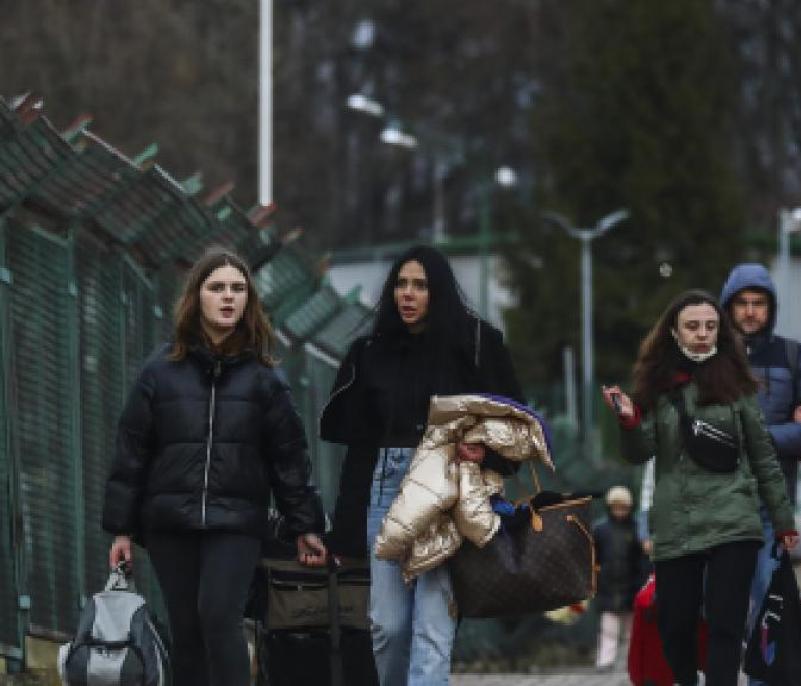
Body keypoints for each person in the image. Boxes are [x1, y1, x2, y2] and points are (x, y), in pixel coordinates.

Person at [102, 247, 327, 686]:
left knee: (219, 617)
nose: (229, 297)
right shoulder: (159, 372)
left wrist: (306, 526)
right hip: (171, 521)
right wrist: (122, 529)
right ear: (197, 297)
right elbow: (132, 452)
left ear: (249, 301)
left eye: (238, 289)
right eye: (217, 287)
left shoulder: (265, 378)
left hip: (237, 521)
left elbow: (289, 458)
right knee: (186, 631)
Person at [319, 244, 522, 686]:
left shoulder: (475, 344)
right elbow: (359, 446)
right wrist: (345, 529)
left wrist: (482, 452)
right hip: (386, 487)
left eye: (421, 286)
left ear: (440, 291)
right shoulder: (371, 352)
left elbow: (513, 422)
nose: (408, 294)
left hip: (447, 490)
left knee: (433, 626)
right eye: (401, 284)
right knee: (387, 626)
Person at [602, 289, 798, 686]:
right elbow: (640, 452)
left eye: (710, 326)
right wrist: (627, 421)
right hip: (678, 522)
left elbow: (763, 455)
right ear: (673, 332)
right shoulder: (657, 388)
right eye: (692, 327)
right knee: (676, 626)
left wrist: (782, 519)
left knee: (727, 624)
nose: (702, 334)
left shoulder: (738, 385)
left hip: (734, 520)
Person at [719, 263, 801, 684]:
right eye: (742, 303)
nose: (749, 312)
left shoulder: (795, 356)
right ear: (729, 308)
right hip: (716, 501)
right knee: (718, 609)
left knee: (768, 605)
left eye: (758, 303)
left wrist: (756, 437)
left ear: (770, 307)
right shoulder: (710, 359)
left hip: (769, 505)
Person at [592, 485, 647, 671]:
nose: (620, 511)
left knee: (632, 631)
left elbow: (641, 560)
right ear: (610, 507)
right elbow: (594, 557)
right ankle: (605, 661)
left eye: (623, 507)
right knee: (608, 629)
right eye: (616, 507)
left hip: (632, 586)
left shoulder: (636, 529)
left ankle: (632, 662)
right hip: (607, 586)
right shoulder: (600, 530)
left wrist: (641, 583)